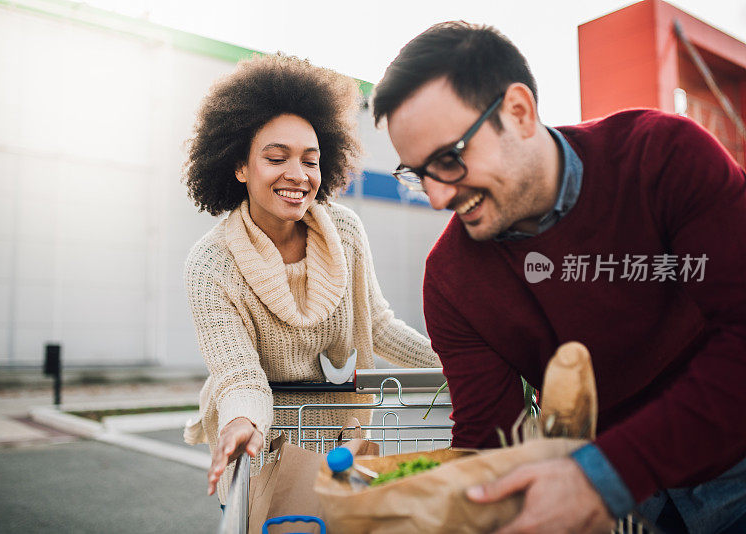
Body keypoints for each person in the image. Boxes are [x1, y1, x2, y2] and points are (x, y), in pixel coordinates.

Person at [372, 21, 746, 534]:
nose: (437, 197)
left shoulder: (663, 157)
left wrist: (605, 473)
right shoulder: (450, 280)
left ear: (519, 112)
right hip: (628, 502)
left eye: (449, 159)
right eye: (418, 174)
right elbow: (489, 436)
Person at [181, 53, 440, 505]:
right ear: (240, 167)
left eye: (311, 161)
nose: (297, 176)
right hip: (261, 454)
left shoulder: (344, 231)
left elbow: (377, 326)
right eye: (276, 158)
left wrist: (460, 360)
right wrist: (243, 421)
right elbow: (240, 374)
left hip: (344, 445)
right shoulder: (211, 265)